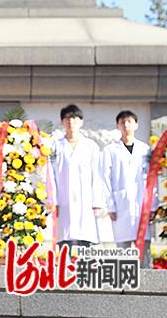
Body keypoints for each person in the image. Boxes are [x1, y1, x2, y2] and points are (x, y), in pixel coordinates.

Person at [102, 110, 157, 267]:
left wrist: (153, 205)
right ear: (118, 126)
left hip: (142, 208)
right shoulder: (110, 150)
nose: (126, 125)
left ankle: (147, 287)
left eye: (129, 121)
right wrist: (110, 205)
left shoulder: (145, 150)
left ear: (136, 125)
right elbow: (105, 179)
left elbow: (152, 178)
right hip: (121, 206)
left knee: (144, 252)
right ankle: (124, 288)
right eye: (122, 122)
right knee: (123, 252)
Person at [51, 104, 105, 253]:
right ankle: (64, 271)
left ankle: (86, 271)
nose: (71, 122)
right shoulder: (56, 147)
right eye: (67, 118)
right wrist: (53, 201)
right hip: (64, 200)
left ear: (81, 122)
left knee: (86, 236)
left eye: (75, 118)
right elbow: (51, 175)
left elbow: (97, 175)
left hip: (85, 200)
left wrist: (97, 202)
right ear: (62, 122)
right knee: (64, 237)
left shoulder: (91, 146)